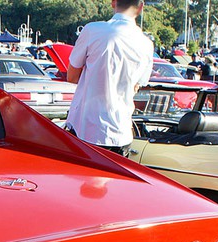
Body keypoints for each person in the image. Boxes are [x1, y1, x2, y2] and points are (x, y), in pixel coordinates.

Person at [65, 0, 153, 156]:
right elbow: (136, 86)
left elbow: (72, 76)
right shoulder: (146, 44)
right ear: (141, 7)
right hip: (121, 132)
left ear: (113, 3)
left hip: (86, 129)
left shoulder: (93, 30)